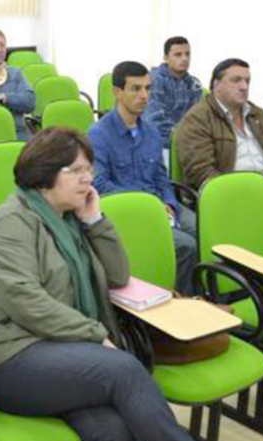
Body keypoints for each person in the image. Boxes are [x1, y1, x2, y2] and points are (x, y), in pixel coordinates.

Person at [0, 127, 263, 441]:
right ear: (46, 175)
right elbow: (27, 303)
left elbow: (117, 275)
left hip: (61, 352)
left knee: (115, 429)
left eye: (89, 170)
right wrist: (94, 334)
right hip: (7, 359)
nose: (88, 179)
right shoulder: (12, 223)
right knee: (124, 370)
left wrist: (96, 222)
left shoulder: (69, 216)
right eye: (77, 171)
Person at [89, 61, 197, 295]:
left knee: (203, 229)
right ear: (117, 92)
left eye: (148, 88)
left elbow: (161, 176)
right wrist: (150, 206)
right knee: (185, 245)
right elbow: (100, 185)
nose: (144, 95)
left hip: (160, 203)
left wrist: (168, 202)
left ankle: (203, 295)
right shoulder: (98, 134)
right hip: (131, 211)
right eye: (136, 89)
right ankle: (180, 304)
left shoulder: (151, 131)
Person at [175, 58, 263, 248]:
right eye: (236, 80)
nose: (243, 87)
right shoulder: (197, 118)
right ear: (216, 84)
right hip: (227, 200)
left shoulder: (257, 114)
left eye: (247, 81)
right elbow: (200, 171)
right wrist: (240, 199)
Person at [144, 36, 204, 146]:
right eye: (178, 55)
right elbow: (154, 121)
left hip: (185, 142)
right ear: (166, 58)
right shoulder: (154, 80)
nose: (184, 59)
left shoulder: (194, 84)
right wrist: (183, 137)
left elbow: (198, 120)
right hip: (158, 142)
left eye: (187, 54)